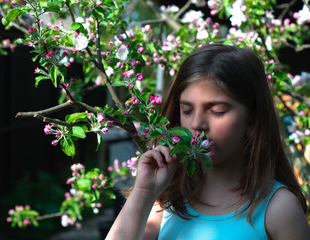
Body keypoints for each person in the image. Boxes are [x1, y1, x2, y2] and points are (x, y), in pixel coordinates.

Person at [105, 44, 310, 240]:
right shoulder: (166, 203)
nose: (196, 124)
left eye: (217, 111)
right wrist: (144, 191)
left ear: (252, 120)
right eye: (187, 110)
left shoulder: (278, 209)